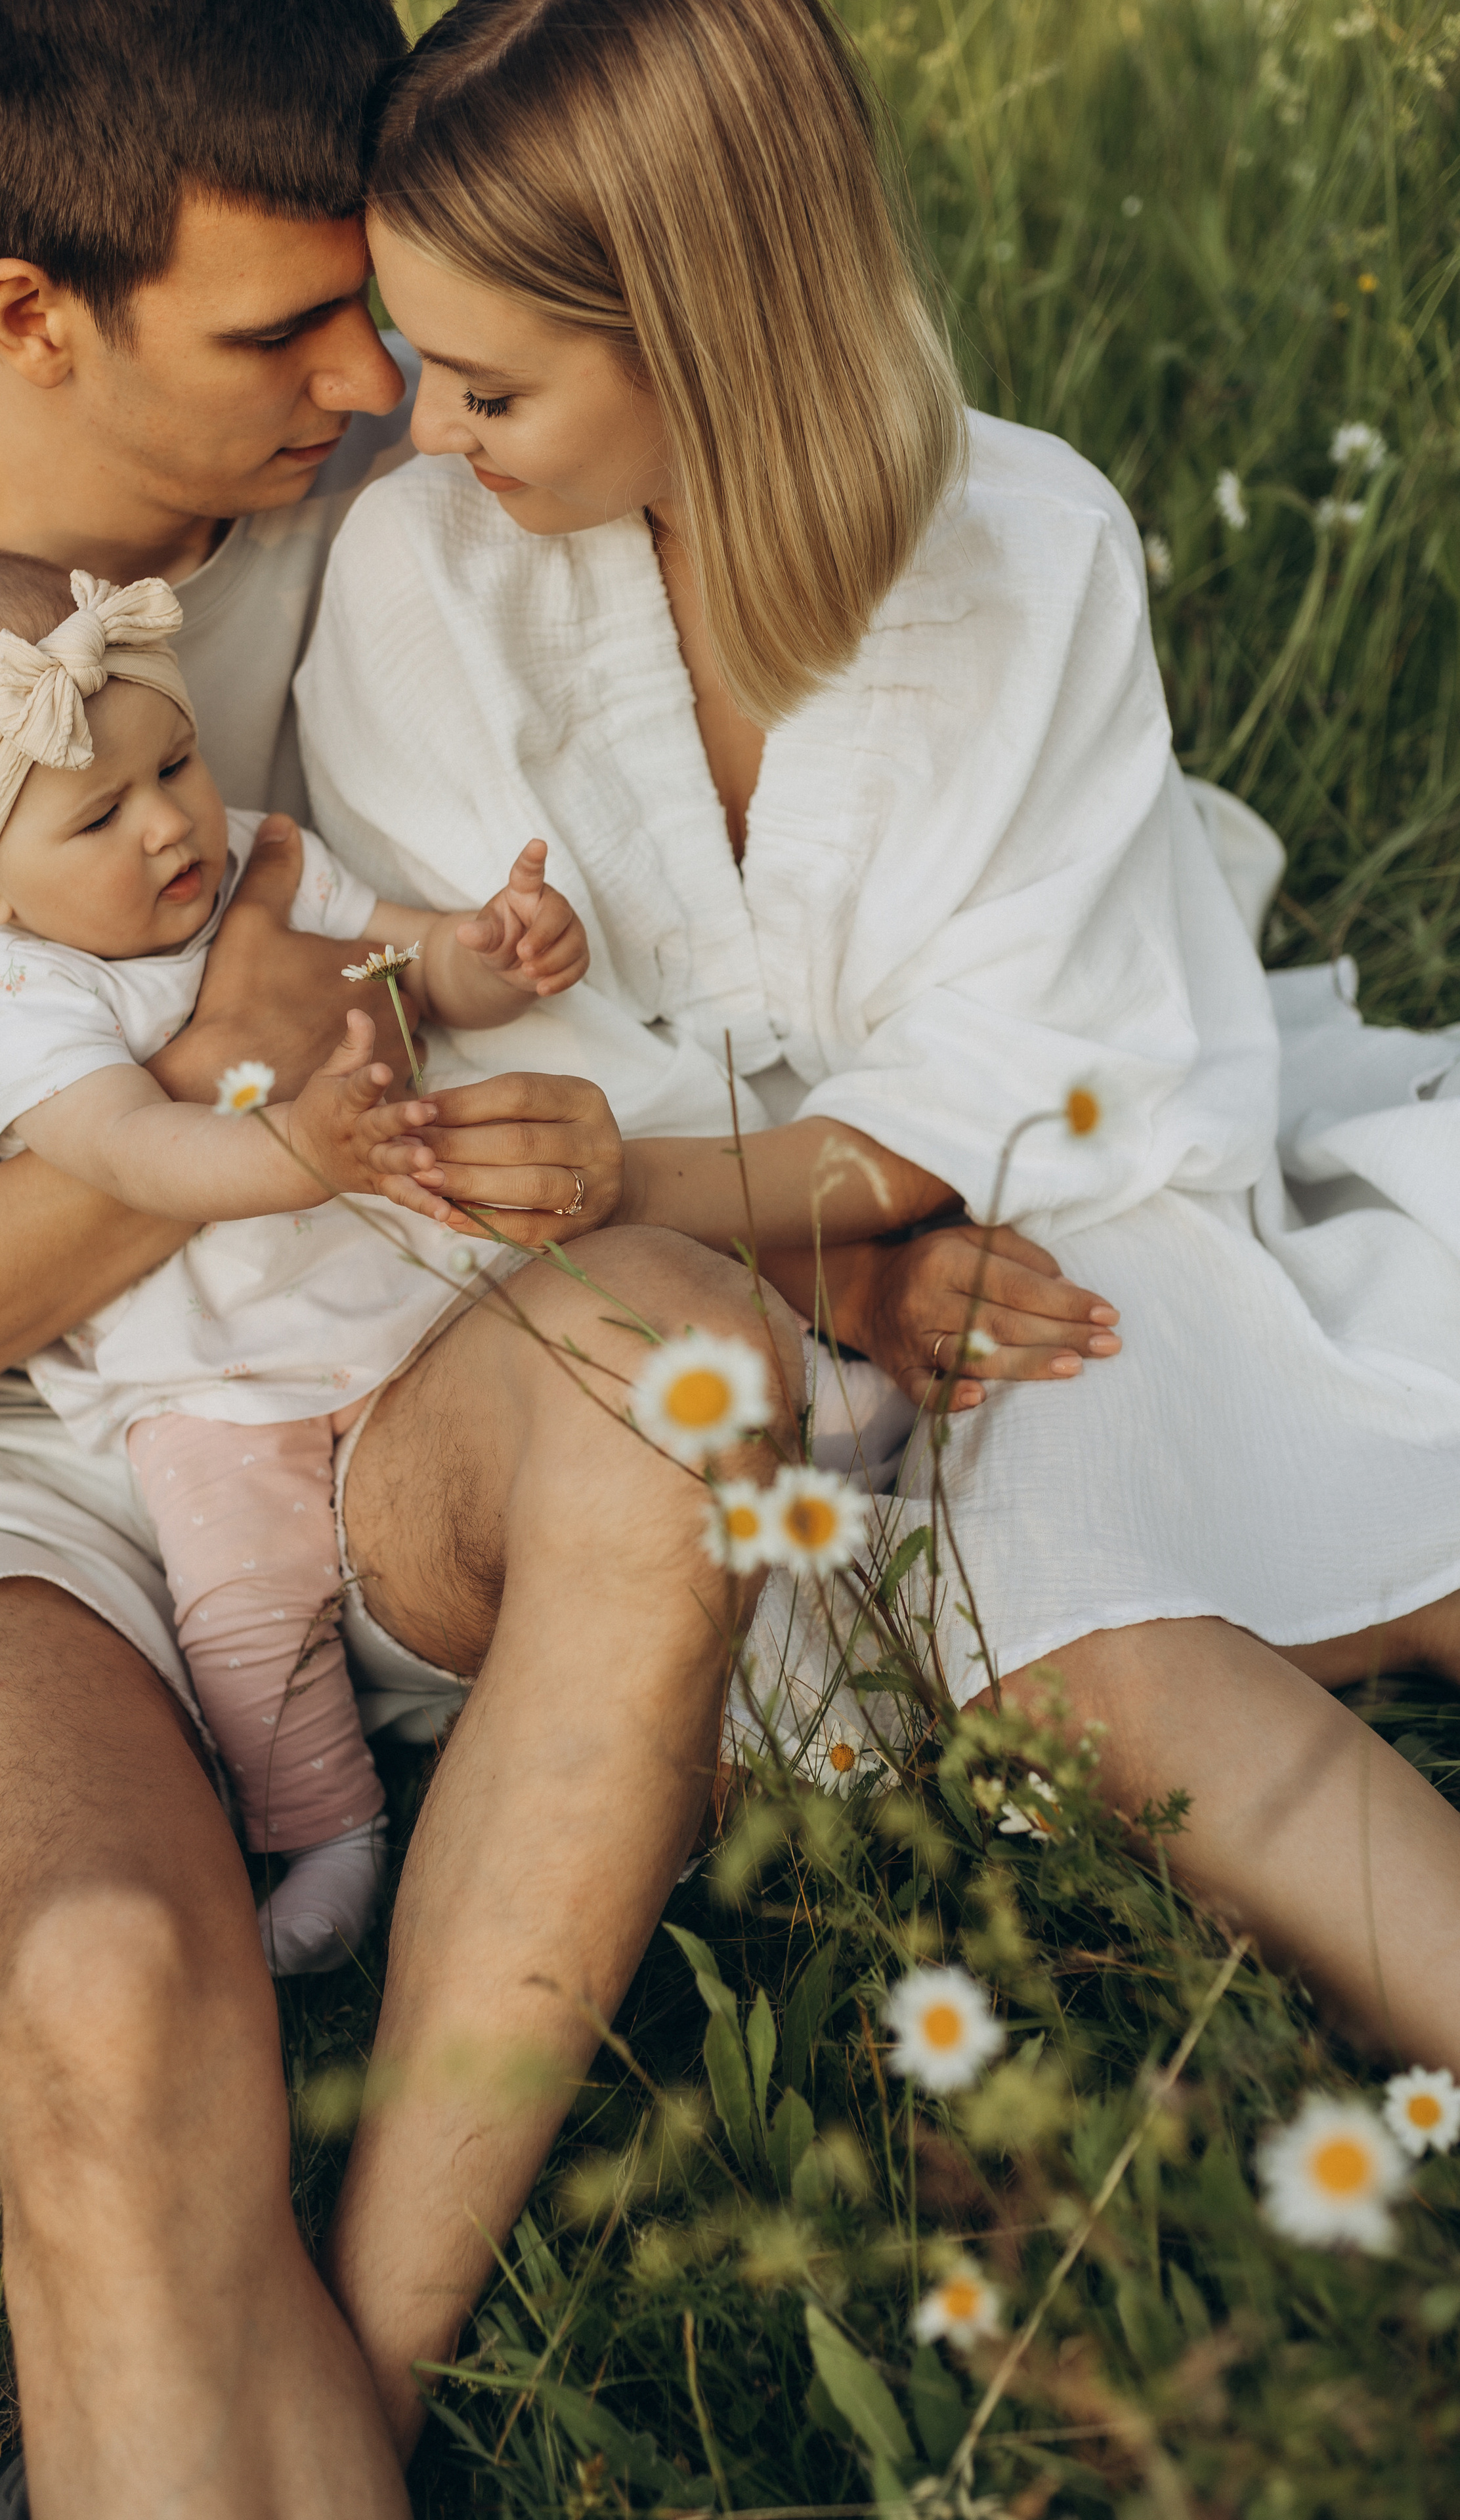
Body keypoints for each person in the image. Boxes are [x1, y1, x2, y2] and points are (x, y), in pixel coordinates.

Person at [0, 0, 1053, 2507]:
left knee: (686, 1377)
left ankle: (344, 2364)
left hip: (398, 1369)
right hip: (16, 1485)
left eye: (376, 303)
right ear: (32, 315)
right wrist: (225, 1092)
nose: (368, 375)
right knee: (103, 1979)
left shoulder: (429, 451)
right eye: (286, 330)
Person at [297, 0, 1460, 2132]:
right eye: (407, 353)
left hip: (1049, 1199)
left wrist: (878, 1227)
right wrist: (834, 1276)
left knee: (1191, 1488)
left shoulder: (1030, 543)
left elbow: (1044, 1033)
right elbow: (512, 1118)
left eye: (488, 380)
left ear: (712, 329)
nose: (422, 425)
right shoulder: (419, 576)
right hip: (665, 1325)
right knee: (1086, 1664)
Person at [0, 549, 596, 1977]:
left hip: (400, 1300)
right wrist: (292, 1146)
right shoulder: (25, 991)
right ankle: (329, 1831)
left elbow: (407, 965)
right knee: (246, 1606)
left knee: (583, 1333)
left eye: (173, 765)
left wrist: (496, 948)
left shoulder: (255, 852)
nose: (168, 827)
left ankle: (795, 1387)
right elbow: (128, 1149)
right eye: (98, 815)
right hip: (208, 1377)